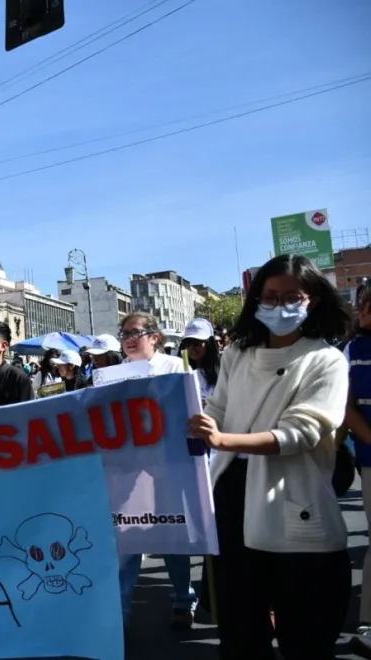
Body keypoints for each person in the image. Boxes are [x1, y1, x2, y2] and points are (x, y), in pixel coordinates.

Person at [189, 254, 350, 660]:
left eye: (291, 296)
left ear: (312, 299)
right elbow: (219, 408)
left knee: (306, 636)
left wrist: (224, 440)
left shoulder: (326, 360)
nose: (279, 306)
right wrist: (196, 421)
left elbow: (300, 432)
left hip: (291, 500)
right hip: (230, 498)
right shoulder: (238, 354)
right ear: (255, 300)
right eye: (269, 297)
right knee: (240, 632)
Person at [116, 312, 197, 632]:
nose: (129, 338)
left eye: (136, 332)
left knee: (172, 535)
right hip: (127, 470)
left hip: (169, 465)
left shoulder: (177, 368)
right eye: (124, 333)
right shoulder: (112, 375)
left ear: (155, 337)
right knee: (126, 537)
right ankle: (120, 614)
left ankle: (182, 598)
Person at [348, 288, 371, 656]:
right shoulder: (351, 352)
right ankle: (368, 623)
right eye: (362, 302)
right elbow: (346, 408)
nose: (363, 309)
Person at [180, 317, 221, 402]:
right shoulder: (181, 372)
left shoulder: (222, 372)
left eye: (196, 343)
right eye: (187, 343)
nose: (192, 348)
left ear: (209, 344)